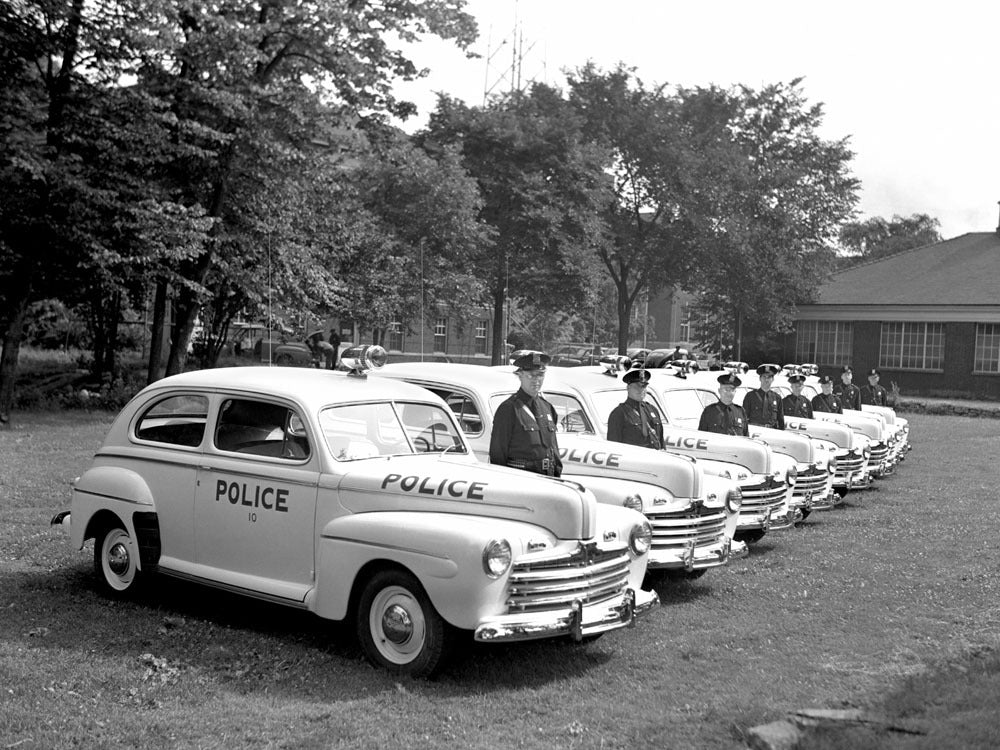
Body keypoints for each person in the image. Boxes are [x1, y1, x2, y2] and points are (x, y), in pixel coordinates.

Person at [489, 350, 562, 477]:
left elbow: (553, 448)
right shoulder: (509, 409)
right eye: (531, 375)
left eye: (540, 375)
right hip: (521, 478)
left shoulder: (547, 408)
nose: (536, 380)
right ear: (520, 375)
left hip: (547, 478)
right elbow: (498, 454)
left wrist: (557, 474)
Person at [607, 369, 663, 449]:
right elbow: (614, 446)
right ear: (628, 388)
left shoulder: (652, 409)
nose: (641, 390)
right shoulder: (619, 413)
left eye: (644, 386)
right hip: (633, 459)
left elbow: (661, 440)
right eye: (637, 387)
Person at [743, 363, 785, 429]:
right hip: (754, 431)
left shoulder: (777, 398)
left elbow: (780, 419)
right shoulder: (750, 396)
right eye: (764, 377)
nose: (766, 380)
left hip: (772, 432)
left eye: (769, 377)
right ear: (760, 379)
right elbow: (744, 417)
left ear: (773, 379)